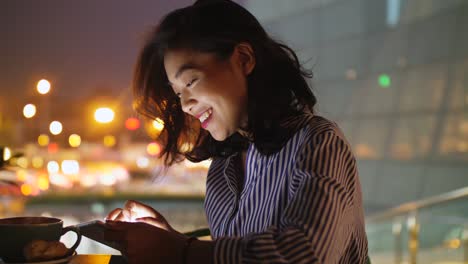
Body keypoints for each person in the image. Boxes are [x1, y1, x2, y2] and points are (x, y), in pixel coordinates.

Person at [104, 0, 369, 263]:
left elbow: (306, 254)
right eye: (178, 93)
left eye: (191, 81)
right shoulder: (222, 167)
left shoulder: (319, 141)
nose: (185, 105)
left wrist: (182, 251)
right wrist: (168, 240)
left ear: (243, 59)